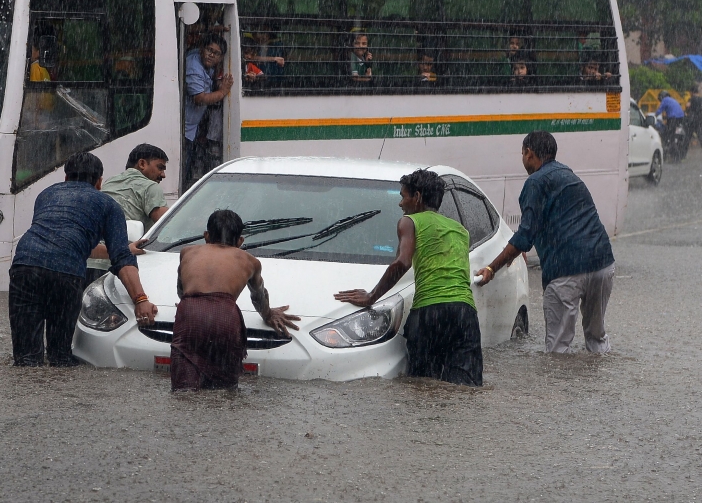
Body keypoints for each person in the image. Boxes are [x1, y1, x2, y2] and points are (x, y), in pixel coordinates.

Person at [335, 169, 483, 386]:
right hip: (465, 314)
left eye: (403, 196)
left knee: (421, 388)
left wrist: (371, 297)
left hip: (430, 313)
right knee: (465, 388)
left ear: (418, 197)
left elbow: (402, 262)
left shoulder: (409, 222)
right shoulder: (460, 230)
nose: (401, 204)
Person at [10, 151, 157, 367]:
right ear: (99, 182)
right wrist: (141, 300)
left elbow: (63, 241)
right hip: (66, 275)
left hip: (24, 265)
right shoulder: (107, 205)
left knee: (25, 359)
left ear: (66, 178)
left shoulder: (47, 194)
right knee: (60, 357)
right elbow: (122, 260)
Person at [477, 131, 615, 354]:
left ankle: (560, 390)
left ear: (529, 153)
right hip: (602, 264)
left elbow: (525, 236)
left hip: (566, 269)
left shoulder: (535, 182)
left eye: (522, 154)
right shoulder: (569, 175)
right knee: (596, 337)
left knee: (558, 351)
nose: (522, 159)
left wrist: (493, 267)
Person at [171, 209, 299, 391]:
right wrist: (268, 314)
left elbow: (181, 288)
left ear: (206, 236)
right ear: (240, 241)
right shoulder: (249, 261)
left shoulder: (187, 252)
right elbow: (258, 295)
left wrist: (189, 304)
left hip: (190, 311)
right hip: (225, 316)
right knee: (225, 388)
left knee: (183, 388)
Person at [183, 33, 232, 189]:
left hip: (192, 128)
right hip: (184, 130)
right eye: (209, 50)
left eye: (216, 53)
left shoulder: (205, 66)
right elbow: (200, 98)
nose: (211, 55)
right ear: (201, 50)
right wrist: (223, 92)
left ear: (221, 57)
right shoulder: (194, 66)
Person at [101, 143, 170, 233]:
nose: (163, 175)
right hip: (125, 246)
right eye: (160, 168)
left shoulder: (109, 182)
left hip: (96, 246)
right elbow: (169, 226)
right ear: (142, 164)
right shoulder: (150, 186)